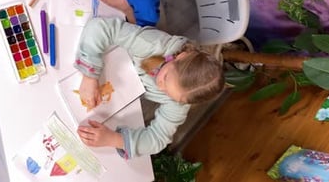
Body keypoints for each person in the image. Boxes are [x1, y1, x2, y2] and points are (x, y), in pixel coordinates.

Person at [73, 17, 225, 159]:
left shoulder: (181, 100)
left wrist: (114, 139)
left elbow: (158, 138)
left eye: (169, 94)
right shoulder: (154, 44)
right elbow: (99, 27)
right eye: (165, 78)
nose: (160, 86)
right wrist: (90, 76)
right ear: (181, 56)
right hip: (106, 60)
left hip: (122, 88)